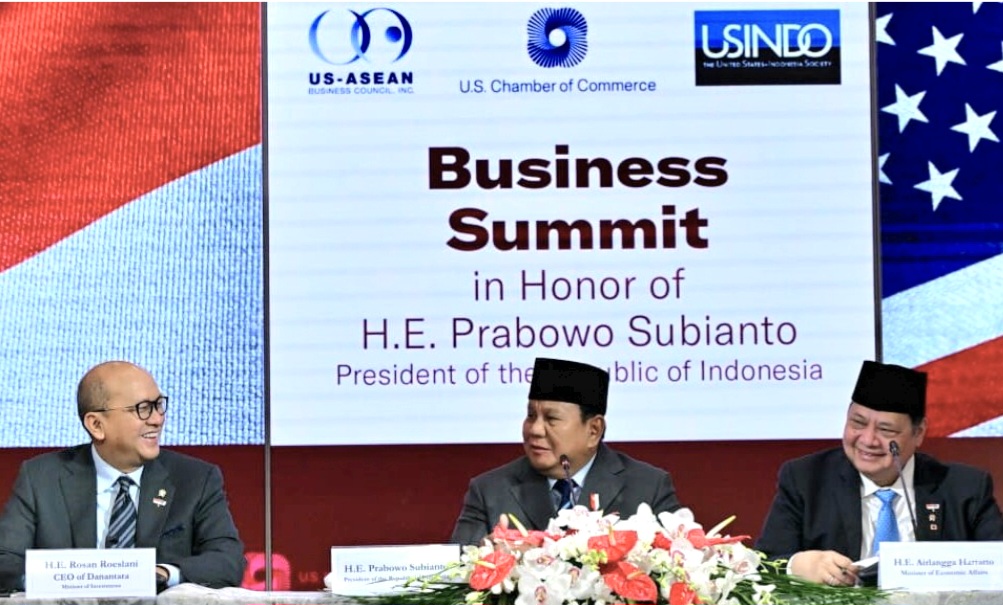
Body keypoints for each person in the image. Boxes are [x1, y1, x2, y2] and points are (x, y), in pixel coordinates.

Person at [0, 361, 245, 593]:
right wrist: (72, 577)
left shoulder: (195, 479)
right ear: (96, 425)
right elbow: (5, 561)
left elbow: (227, 560)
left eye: (159, 405)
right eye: (143, 409)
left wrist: (159, 574)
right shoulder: (41, 478)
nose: (157, 419)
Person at [756, 360, 1003, 586]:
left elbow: (998, 565)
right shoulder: (805, 479)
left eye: (886, 430)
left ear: (918, 433)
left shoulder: (965, 488)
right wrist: (797, 566)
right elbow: (763, 565)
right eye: (858, 423)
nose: (868, 440)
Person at [450, 357, 682, 545]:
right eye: (531, 415)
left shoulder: (648, 487)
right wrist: (483, 554)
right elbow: (454, 575)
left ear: (594, 430)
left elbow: (680, 565)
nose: (535, 429)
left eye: (551, 419)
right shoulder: (489, 490)